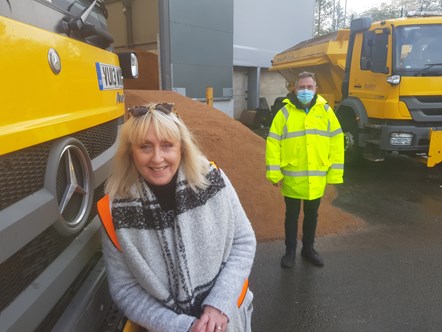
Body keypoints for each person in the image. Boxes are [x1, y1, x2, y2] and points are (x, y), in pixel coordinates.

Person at [100, 102, 256, 332]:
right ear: (131, 152)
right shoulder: (114, 211)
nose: (157, 158)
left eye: (167, 145)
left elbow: (243, 242)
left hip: (227, 320)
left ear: (181, 147)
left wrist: (218, 306)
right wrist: (181, 327)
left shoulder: (213, 181)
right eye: (145, 147)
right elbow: (125, 289)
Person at [265, 72, 344, 269]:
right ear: (295, 89)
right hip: (292, 175)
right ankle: (290, 251)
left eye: (310, 87)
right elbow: (273, 142)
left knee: (312, 215)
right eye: (302, 87)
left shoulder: (325, 112)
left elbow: (336, 140)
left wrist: (334, 172)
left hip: (316, 176)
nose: (306, 91)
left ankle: (308, 249)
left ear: (316, 89)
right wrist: (274, 173)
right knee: (291, 215)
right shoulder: (284, 113)